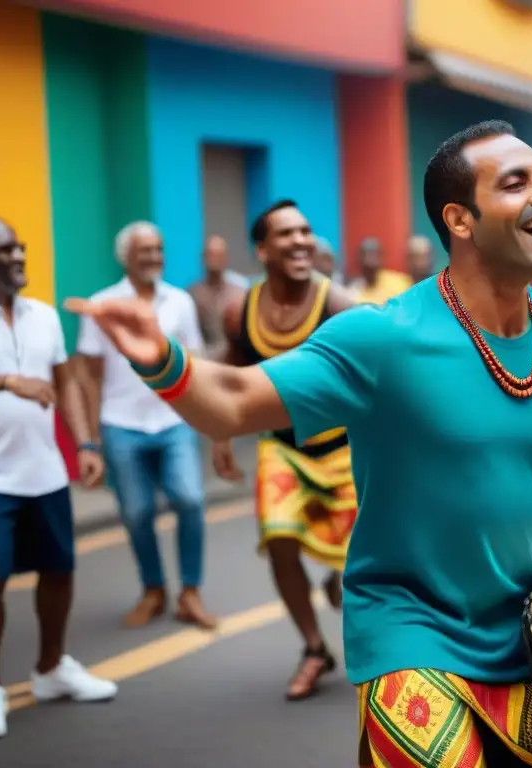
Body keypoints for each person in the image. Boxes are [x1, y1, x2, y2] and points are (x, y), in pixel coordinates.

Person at [67, 120, 532, 768]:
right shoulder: (380, 336)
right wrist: (159, 358)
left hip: (523, 629)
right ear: (460, 219)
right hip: (405, 626)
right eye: (515, 183)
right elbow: (233, 403)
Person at [0, 217, 117, 740]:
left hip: (43, 469)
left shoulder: (43, 315)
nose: (20, 256)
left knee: (60, 570)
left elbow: (66, 384)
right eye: (6, 249)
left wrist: (86, 444)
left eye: (21, 247)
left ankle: (49, 669)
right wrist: (7, 381)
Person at [210, 199, 359, 701]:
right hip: (282, 447)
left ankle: (341, 577)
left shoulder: (339, 306)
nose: (301, 241)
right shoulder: (240, 309)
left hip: (346, 450)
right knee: (278, 539)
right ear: (262, 250)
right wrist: (220, 435)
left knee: (359, 559)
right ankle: (314, 647)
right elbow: (229, 377)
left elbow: (377, 380)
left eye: (306, 231)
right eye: (286, 234)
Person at [76, 222, 215, 630]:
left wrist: (207, 416)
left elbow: (195, 362)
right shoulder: (101, 304)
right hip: (121, 423)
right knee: (136, 513)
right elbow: (88, 374)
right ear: (125, 257)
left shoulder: (180, 301)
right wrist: (90, 439)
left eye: (158, 249)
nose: (154, 257)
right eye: (145, 250)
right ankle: (153, 590)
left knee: (190, 499)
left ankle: (191, 592)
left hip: (174, 421)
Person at [189, 235, 250, 360]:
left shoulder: (239, 293)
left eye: (218, 255)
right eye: (210, 254)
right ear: (203, 257)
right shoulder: (193, 295)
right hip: (206, 361)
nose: (214, 260)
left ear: (225, 257)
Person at [348, 237, 412, 305]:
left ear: (381, 258)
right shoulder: (353, 290)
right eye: (366, 255)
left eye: (374, 255)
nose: (370, 261)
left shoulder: (400, 282)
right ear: (359, 260)